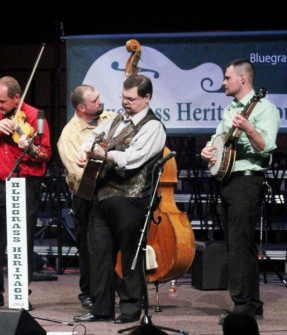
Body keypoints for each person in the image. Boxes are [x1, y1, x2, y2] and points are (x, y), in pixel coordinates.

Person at [73, 75, 166, 324]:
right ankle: (101, 307)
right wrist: (84, 152)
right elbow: (93, 137)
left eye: (131, 99)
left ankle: (130, 308)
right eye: (123, 97)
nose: (125, 103)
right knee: (99, 255)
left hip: (131, 200)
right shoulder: (113, 120)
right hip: (102, 198)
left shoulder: (152, 126)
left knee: (129, 258)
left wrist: (106, 154)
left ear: (146, 98)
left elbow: (133, 158)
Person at [200, 59, 280, 324]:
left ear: (242, 79)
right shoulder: (230, 109)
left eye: (227, 77)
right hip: (228, 181)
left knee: (240, 246)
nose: (223, 82)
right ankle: (251, 303)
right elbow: (219, 138)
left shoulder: (265, 108)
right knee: (238, 245)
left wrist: (248, 127)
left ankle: (242, 306)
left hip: (247, 181)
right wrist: (209, 150)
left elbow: (266, 146)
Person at [0, 76, 51, 308]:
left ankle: (20, 294)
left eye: (3, 101)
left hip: (25, 183)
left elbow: (46, 154)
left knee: (21, 240)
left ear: (17, 98)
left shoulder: (34, 116)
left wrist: (30, 148)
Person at [57, 84, 116, 309]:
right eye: (95, 101)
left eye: (99, 97)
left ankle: (114, 288)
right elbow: (81, 175)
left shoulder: (109, 118)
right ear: (81, 108)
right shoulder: (69, 136)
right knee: (90, 247)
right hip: (87, 197)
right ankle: (89, 292)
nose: (100, 102)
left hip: (112, 193)